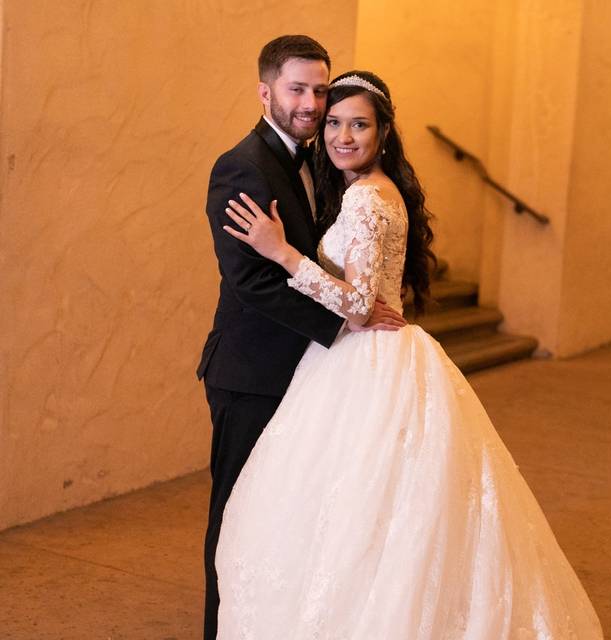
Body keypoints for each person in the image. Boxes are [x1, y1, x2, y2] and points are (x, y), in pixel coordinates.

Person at [214, 69, 603, 639]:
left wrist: (284, 253)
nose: (343, 135)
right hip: (371, 357)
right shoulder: (368, 189)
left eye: (360, 125)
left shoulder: (370, 198)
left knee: (360, 512)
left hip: (367, 362)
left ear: (385, 132)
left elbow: (356, 304)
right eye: (336, 124)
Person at [196, 36, 406, 640]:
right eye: (298, 89)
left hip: (310, 374)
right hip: (253, 372)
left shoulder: (321, 160)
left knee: (286, 517)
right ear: (266, 91)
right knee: (235, 518)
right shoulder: (242, 165)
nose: (312, 103)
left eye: (321, 89)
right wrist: (347, 320)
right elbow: (249, 282)